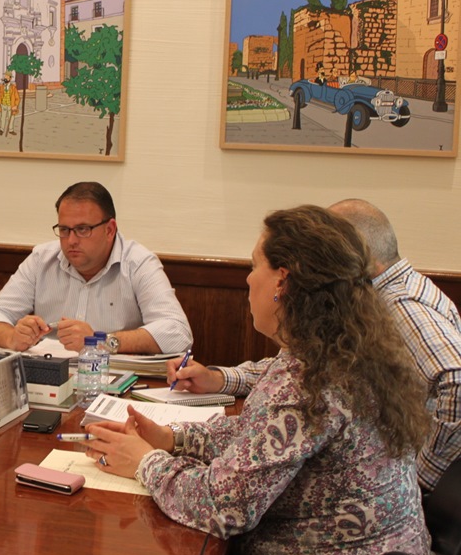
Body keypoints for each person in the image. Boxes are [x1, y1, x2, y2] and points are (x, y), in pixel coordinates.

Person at [83, 205, 433, 555]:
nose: (248, 280)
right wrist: (173, 439)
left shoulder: (305, 382)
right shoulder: (344, 350)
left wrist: (145, 461)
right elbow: (260, 438)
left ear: (282, 281)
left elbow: (222, 508)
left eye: (253, 266)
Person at [172, 198, 461, 493]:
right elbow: (309, 371)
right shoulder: (357, 313)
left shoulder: (403, 306)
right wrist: (220, 379)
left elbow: (457, 382)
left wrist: (421, 479)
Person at [0, 181, 192, 355]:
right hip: (49, 382)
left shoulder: (138, 263)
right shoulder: (42, 259)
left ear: (110, 229)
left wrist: (100, 341)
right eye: (64, 229)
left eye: (83, 229)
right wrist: (12, 337)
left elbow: (177, 333)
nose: (71, 240)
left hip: (113, 387)